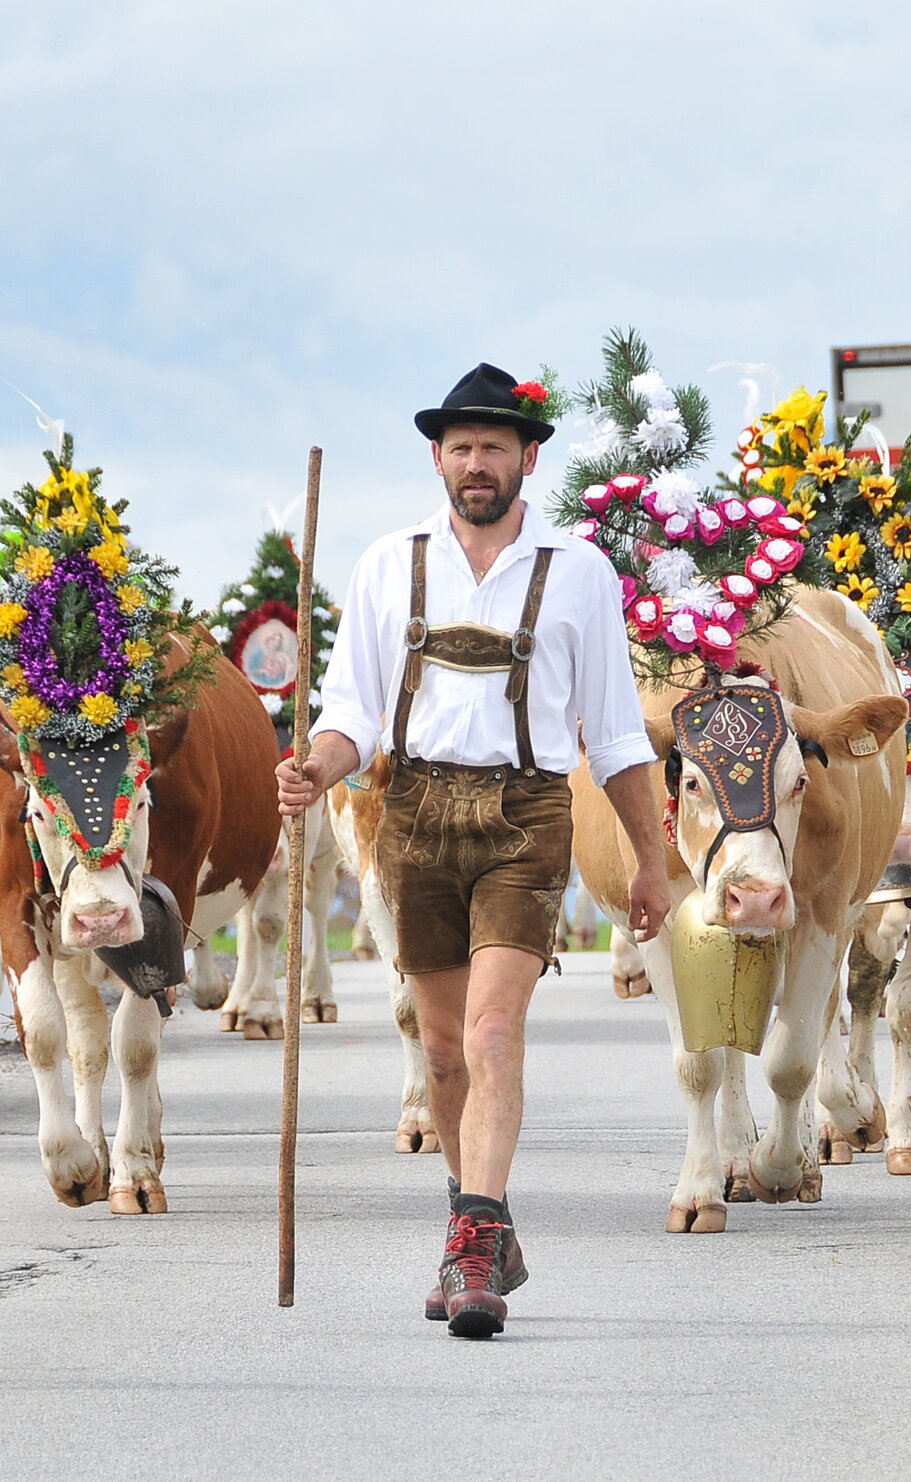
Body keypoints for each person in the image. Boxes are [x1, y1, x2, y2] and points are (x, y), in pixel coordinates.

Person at [278, 362, 673, 1339]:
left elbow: (615, 736)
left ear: (528, 458)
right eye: (461, 447)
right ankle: (479, 1224)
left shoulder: (579, 572)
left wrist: (651, 859)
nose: (476, 463)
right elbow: (350, 714)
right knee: (444, 1050)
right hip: (412, 813)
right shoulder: (388, 565)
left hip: (525, 816)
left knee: (495, 1033)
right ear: (437, 459)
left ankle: (470, 1244)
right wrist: (317, 769)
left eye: (495, 446)